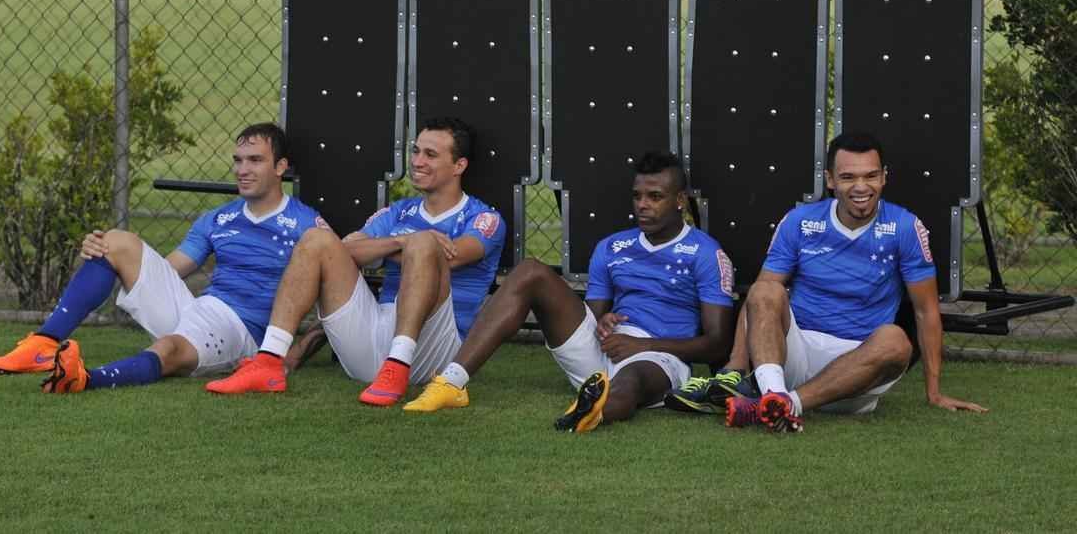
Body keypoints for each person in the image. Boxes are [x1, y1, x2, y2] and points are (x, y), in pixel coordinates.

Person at [667, 131, 988, 432]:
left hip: (859, 368)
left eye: (870, 176)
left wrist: (935, 392)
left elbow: (927, 312)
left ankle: (779, 404)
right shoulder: (800, 221)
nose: (861, 187)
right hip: (795, 354)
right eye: (848, 177)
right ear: (831, 180)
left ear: (884, 177)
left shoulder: (905, 227)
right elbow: (759, 301)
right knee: (765, 288)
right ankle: (774, 394)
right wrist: (734, 367)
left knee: (896, 341)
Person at [0, 123, 330, 393]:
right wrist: (106, 255)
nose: (243, 169)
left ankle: (85, 379)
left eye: (255, 160)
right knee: (115, 241)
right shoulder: (217, 219)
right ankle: (43, 344)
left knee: (167, 347)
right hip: (200, 309)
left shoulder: (306, 224)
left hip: (241, 331)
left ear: (281, 167)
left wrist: (292, 354)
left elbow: (334, 299)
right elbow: (172, 268)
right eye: (238, 160)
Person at [402, 151, 735, 433]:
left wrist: (642, 344)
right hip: (605, 350)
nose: (643, 206)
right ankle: (450, 382)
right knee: (530, 270)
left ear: (679, 201)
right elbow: (592, 315)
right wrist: (604, 321)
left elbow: (717, 343)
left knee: (631, 378)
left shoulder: (706, 253)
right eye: (637, 196)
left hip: (659, 357)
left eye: (655, 197)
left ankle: (591, 411)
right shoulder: (613, 246)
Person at [205, 116, 505, 407]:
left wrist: (401, 245)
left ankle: (398, 365)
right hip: (374, 338)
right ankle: (269, 362)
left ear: (459, 165)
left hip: (435, 350)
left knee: (425, 242)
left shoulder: (483, 218)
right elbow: (345, 248)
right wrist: (400, 242)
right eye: (415, 151)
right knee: (316, 239)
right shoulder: (398, 213)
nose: (416, 161)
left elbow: (450, 256)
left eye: (430, 154)